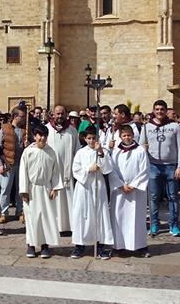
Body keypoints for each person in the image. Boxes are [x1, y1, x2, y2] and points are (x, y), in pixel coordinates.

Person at [141, 100, 180, 237]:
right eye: (157, 109)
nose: (159, 112)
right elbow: (141, 145)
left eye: (162, 109)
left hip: (171, 165)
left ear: (166, 111)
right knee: (153, 197)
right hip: (154, 165)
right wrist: (143, 149)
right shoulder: (147, 127)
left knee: (173, 196)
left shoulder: (175, 126)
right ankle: (154, 224)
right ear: (153, 111)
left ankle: (174, 224)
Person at [20, 124, 63, 258]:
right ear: (35, 136)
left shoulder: (51, 152)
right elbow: (23, 172)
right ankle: (31, 245)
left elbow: (56, 172)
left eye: (45, 136)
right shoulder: (28, 151)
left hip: (46, 188)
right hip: (32, 189)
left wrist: (55, 188)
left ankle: (45, 245)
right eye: (40, 136)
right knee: (32, 218)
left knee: (46, 217)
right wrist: (24, 190)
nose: (43, 138)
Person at [70, 125, 113, 260]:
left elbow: (107, 169)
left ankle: (100, 245)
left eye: (94, 138)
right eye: (89, 138)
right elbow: (75, 169)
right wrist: (89, 169)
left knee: (99, 215)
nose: (91, 141)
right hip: (84, 187)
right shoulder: (80, 152)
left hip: (98, 185)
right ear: (85, 138)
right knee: (81, 215)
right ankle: (79, 245)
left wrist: (100, 153)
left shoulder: (102, 151)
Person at [110, 124, 151, 257]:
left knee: (137, 218)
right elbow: (112, 170)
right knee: (119, 217)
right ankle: (118, 245)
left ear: (133, 135)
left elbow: (145, 170)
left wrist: (134, 184)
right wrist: (121, 185)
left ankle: (140, 245)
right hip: (120, 190)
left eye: (129, 135)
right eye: (124, 136)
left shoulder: (140, 151)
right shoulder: (116, 152)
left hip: (136, 191)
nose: (127, 138)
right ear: (120, 136)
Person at [46, 105, 80, 234]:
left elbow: (77, 150)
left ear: (66, 114)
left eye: (62, 114)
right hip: (53, 170)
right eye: (57, 114)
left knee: (68, 198)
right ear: (53, 114)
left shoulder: (72, 130)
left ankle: (70, 226)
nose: (60, 116)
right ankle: (56, 226)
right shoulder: (47, 129)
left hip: (68, 171)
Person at [0, 106, 23, 223]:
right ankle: (3, 212)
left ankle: (20, 211)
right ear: (16, 116)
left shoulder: (26, 129)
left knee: (20, 189)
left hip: (21, 164)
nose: (24, 119)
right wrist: (0, 164)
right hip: (8, 163)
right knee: (5, 189)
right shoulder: (4, 128)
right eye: (22, 116)